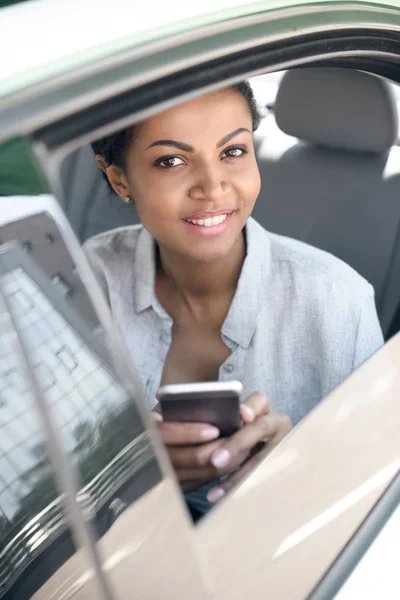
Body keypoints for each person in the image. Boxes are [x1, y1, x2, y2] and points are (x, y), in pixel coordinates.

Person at [84, 81, 383, 517]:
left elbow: (374, 496)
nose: (212, 186)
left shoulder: (339, 302)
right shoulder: (86, 283)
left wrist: (301, 471)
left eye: (232, 152)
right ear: (118, 178)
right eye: (171, 161)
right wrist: (129, 470)